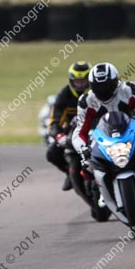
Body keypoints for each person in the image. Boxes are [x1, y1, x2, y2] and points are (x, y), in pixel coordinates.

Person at [72, 62, 135, 194]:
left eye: (107, 86)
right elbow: (80, 131)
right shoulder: (86, 101)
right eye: (98, 87)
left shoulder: (130, 90)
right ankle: (98, 189)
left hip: (132, 129)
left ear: (116, 82)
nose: (103, 91)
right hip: (103, 135)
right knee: (87, 161)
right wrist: (82, 148)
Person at [47, 61, 91, 191]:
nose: (80, 85)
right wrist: (59, 135)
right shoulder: (64, 95)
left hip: (98, 129)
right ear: (71, 81)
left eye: (83, 81)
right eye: (77, 82)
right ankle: (69, 172)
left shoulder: (96, 91)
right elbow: (54, 120)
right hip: (73, 132)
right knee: (52, 153)